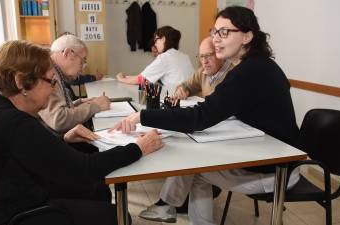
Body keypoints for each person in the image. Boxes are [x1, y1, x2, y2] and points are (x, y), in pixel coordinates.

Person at [111, 6, 301, 225]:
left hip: (278, 169)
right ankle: (168, 206)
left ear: (247, 36)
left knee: (195, 169)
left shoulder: (248, 72)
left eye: (224, 32)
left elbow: (199, 117)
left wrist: (142, 116)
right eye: (215, 32)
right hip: (265, 154)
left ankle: (168, 205)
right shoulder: (257, 66)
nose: (216, 39)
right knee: (194, 159)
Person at [0, 40, 163, 225]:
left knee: (97, 189)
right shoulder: (12, 121)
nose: (53, 88)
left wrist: (64, 140)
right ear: (21, 82)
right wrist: (138, 147)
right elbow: (84, 169)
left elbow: (26, 151)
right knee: (116, 215)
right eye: (50, 82)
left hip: (3, 196)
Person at [137, 36, 232, 222]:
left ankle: (167, 204)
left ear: (221, 54)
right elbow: (187, 84)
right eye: (201, 56)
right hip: (211, 132)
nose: (204, 60)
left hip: (228, 137)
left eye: (209, 55)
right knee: (183, 146)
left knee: (188, 155)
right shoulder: (204, 72)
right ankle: (168, 204)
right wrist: (184, 90)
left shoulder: (232, 76)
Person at [38, 34, 110, 134]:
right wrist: (94, 106)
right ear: (67, 53)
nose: (83, 67)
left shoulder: (56, 71)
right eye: (83, 60)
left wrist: (81, 102)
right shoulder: (49, 75)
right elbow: (58, 121)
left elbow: (61, 108)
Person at [117, 26, 194, 93]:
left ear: (163, 39)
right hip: (192, 98)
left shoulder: (164, 58)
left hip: (178, 101)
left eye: (156, 40)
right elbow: (145, 77)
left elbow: (141, 80)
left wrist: (121, 79)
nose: (155, 44)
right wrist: (127, 77)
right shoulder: (184, 56)